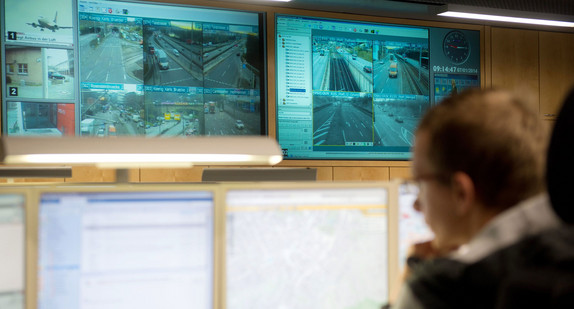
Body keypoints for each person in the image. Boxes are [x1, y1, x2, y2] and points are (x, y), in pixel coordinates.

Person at [390, 88, 564, 308]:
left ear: (461, 193)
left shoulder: (440, 290)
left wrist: (414, 268)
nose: (415, 204)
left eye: (420, 183)